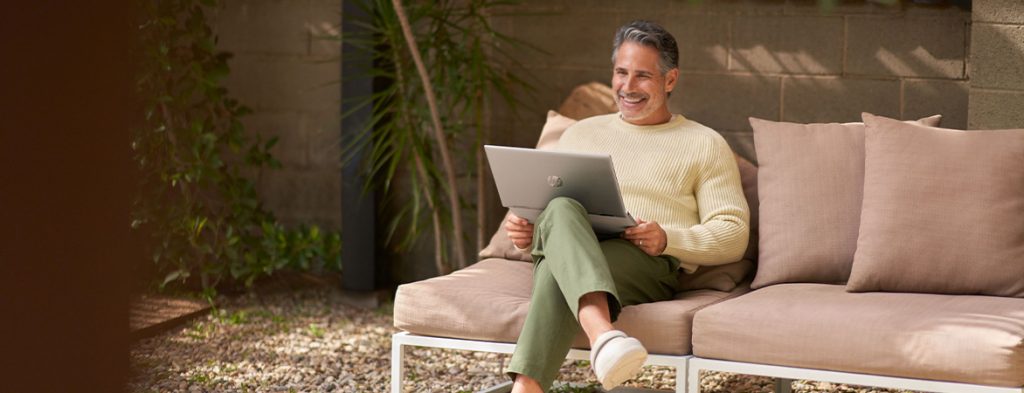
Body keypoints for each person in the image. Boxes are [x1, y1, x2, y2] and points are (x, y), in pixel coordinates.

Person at [503, 20, 750, 393]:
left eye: (643, 76)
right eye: (621, 73)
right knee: (560, 208)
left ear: (670, 80)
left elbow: (734, 234)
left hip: (642, 260)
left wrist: (668, 238)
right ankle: (604, 337)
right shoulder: (580, 133)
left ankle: (529, 386)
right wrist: (526, 231)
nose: (628, 87)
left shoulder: (704, 143)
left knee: (558, 270)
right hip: (572, 244)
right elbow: (547, 213)